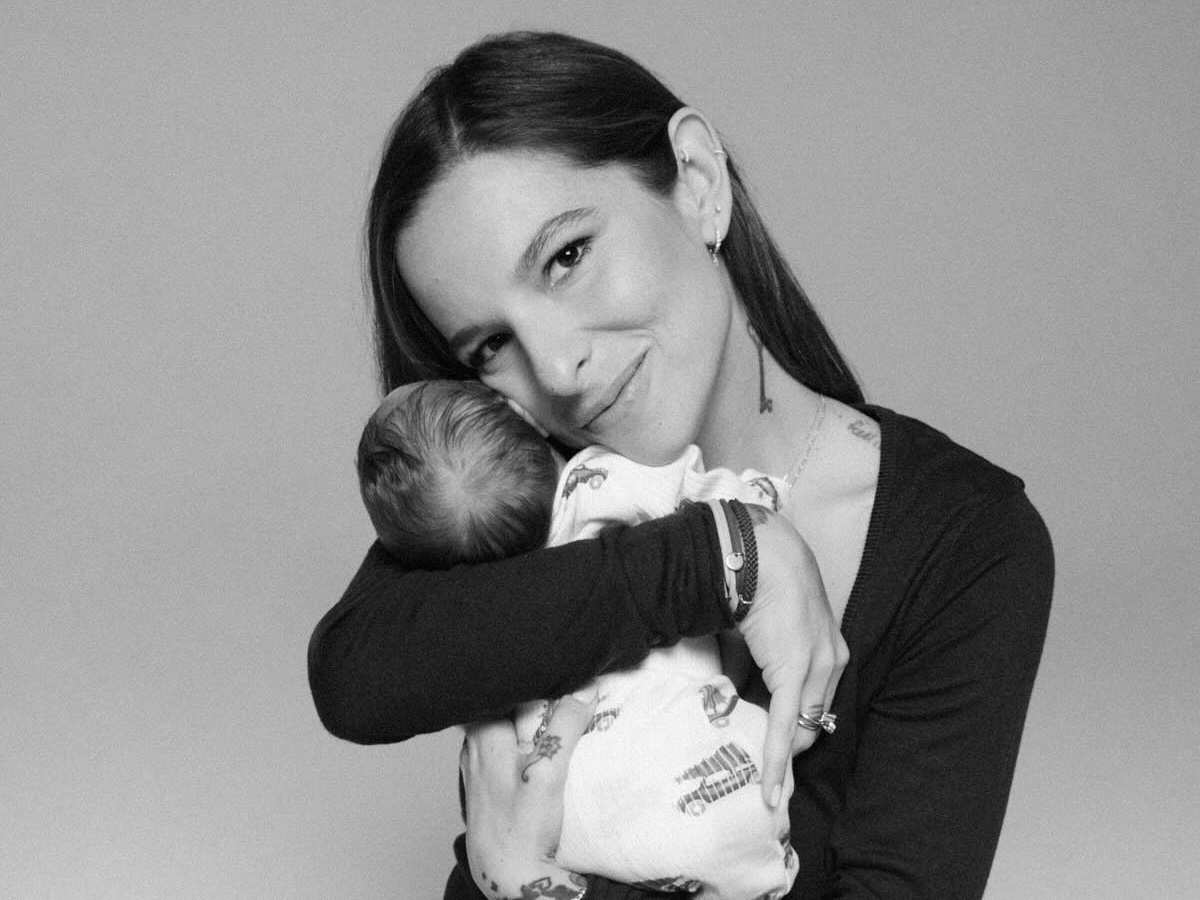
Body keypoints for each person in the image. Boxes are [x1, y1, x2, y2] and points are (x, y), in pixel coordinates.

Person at [308, 30, 1054, 900]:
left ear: (698, 183)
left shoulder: (963, 544)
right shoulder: (531, 487)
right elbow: (354, 674)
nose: (556, 369)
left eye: (567, 257)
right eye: (489, 345)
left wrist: (525, 881)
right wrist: (726, 558)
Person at [355, 377, 799, 898]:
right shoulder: (602, 480)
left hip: (583, 826)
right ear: (521, 415)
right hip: (726, 789)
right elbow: (724, 512)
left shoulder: (479, 609)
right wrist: (765, 499)